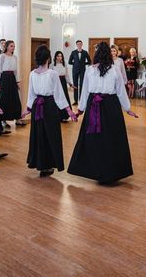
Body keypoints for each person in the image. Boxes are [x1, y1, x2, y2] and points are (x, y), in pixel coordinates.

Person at [68, 42, 138, 184]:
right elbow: (120, 91)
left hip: (95, 104)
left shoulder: (91, 70)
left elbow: (85, 91)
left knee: (96, 139)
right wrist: (127, 108)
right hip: (110, 106)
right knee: (111, 138)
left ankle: (97, 171)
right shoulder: (113, 70)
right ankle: (110, 171)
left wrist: (81, 109)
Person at [23, 46, 77, 176]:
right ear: (48, 58)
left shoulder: (33, 73)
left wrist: (28, 108)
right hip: (49, 106)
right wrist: (69, 111)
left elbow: (31, 94)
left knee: (40, 135)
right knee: (51, 135)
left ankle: (42, 165)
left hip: (37, 106)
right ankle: (47, 165)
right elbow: (59, 94)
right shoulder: (52, 73)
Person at [0, 40, 24, 127]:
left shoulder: (15, 57)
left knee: (15, 98)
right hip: (4, 78)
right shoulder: (2, 56)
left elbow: (16, 71)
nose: (13, 48)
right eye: (11, 46)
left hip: (12, 79)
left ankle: (17, 118)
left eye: (14, 46)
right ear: (7, 47)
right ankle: (3, 120)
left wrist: (17, 81)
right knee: (3, 99)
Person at [52, 51, 75, 121]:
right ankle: (57, 116)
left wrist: (70, 84)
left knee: (64, 98)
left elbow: (67, 76)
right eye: (58, 56)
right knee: (57, 98)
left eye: (61, 56)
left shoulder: (64, 65)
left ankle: (65, 116)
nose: (60, 57)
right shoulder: (52, 65)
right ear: (56, 57)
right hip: (56, 83)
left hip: (63, 83)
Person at [68, 40, 91, 105]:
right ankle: (75, 100)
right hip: (75, 70)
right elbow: (69, 62)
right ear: (76, 45)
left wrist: (84, 63)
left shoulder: (85, 52)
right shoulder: (73, 52)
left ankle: (81, 100)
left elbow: (89, 61)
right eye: (78, 44)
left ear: (82, 44)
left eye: (80, 44)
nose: (79, 45)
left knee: (82, 85)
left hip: (82, 70)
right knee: (75, 85)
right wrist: (75, 64)